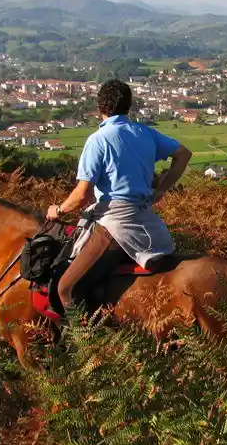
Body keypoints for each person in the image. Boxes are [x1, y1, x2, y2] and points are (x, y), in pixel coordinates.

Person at [46, 79, 192, 313]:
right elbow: (183, 154)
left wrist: (58, 211)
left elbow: (81, 195)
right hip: (149, 223)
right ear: (128, 106)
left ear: (99, 108)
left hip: (116, 225)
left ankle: (88, 343)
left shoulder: (98, 140)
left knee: (66, 289)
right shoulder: (145, 133)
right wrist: (162, 188)